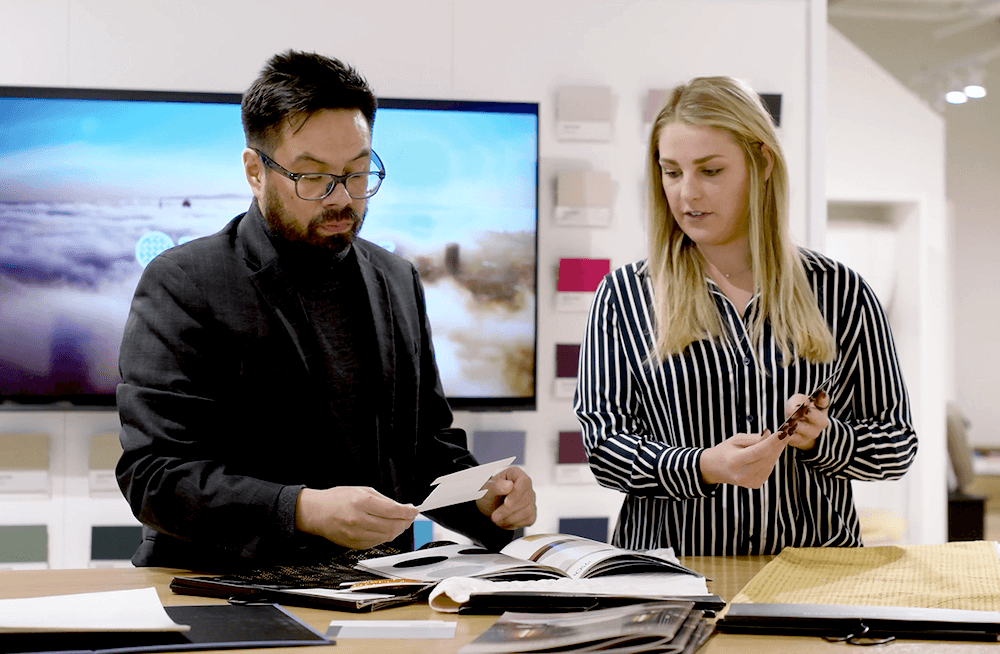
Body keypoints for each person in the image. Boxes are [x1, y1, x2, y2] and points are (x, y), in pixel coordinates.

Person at [116, 50, 536, 570]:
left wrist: (486, 499)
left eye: (358, 173)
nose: (342, 199)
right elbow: (155, 475)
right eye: (312, 177)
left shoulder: (397, 280)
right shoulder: (183, 282)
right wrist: (301, 509)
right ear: (255, 171)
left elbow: (426, 448)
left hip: (377, 589)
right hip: (224, 591)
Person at [573, 76, 917, 556]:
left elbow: (896, 444)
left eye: (710, 171)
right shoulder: (625, 295)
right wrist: (704, 466)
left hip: (812, 577)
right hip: (673, 579)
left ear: (762, 164)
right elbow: (604, 449)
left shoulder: (841, 291)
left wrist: (826, 438)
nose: (687, 193)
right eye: (672, 172)